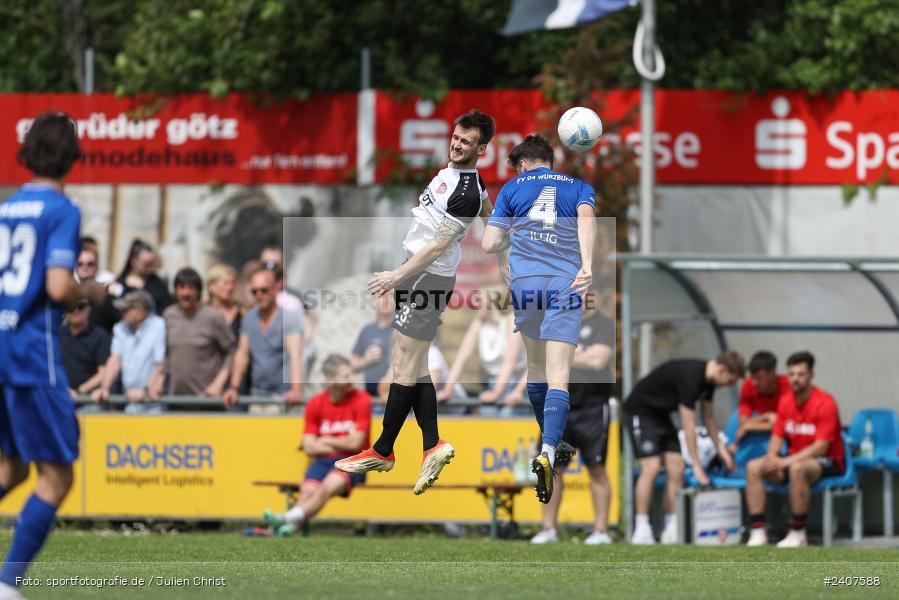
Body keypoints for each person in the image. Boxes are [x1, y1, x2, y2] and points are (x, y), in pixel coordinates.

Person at [337, 110, 495, 496]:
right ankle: (432, 444)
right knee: (413, 364)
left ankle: (383, 449)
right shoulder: (459, 180)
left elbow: (438, 246)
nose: (457, 144)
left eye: (467, 142)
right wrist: (501, 234)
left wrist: (396, 276)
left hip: (427, 278)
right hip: (419, 276)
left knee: (404, 366)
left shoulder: (464, 192)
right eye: (456, 137)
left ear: (482, 150)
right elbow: (489, 213)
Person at [0, 112, 105, 598]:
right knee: (57, 477)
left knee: (11, 468)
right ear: (73, 157)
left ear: (26, 154)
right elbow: (59, 287)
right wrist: (94, 292)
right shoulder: (61, 209)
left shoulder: (6, 207)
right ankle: (8, 584)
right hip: (29, 353)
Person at [481, 134, 596, 504]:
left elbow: (489, 243)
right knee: (559, 374)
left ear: (522, 165)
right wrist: (587, 265)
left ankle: (550, 441)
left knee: (535, 368)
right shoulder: (578, 187)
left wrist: (515, 233)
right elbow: (586, 219)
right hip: (565, 283)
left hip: (526, 285)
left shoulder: (512, 188)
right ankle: (548, 450)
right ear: (549, 160)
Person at [624, 351, 744, 544]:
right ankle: (642, 527)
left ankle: (672, 526)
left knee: (677, 467)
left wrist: (723, 452)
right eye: (730, 381)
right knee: (652, 467)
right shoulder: (692, 377)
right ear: (722, 370)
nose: (728, 386)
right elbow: (689, 425)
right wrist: (696, 466)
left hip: (661, 417)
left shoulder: (709, 382)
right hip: (641, 411)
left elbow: (709, 418)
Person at [531, 302, 615, 545]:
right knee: (551, 468)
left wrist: (561, 355)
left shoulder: (603, 324)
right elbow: (541, 356)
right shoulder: (557, 322)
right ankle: (548, 529)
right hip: (559, 408)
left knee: (596, 468)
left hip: (592, 408)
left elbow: (598, 361)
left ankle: (601, 531)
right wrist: (580, 354)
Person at [744, 351, 845, 548]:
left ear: (811, 375)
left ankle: (798, 532)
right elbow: (777, 436)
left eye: (801, 374)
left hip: (827, 461)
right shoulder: (786, 400)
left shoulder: (825, 403)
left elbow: (821, 447)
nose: (795, 379)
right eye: (791, 374)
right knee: (753, 467)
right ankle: (757, 532)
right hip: (792, 460)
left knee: (797, 468)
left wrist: (783, 462)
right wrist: (772, 458)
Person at [263, 355, 371, 536]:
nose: (351, 380)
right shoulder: (315, 404)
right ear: (330, 379)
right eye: (345, 376)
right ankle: (287, 529)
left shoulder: (362, 400)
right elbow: (309, 447)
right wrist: (342, 442)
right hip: (322, 462)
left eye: (351, 374)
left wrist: (325, 439)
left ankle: (284, 520)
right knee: (307, 494)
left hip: (353, 461)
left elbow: (356, 444)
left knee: (325, 489)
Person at [223, 266, 304, 411]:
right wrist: (234, 388)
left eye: (264, 290)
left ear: (275, 289)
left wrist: (296, 390)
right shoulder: (249, 319)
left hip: (283, 396)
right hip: (257, 395)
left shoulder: (289, 318)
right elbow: (242, 355)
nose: (259, 295)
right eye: (254, 291)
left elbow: (295, 356)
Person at [437, 286, 526, 416]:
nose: (475, 304)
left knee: (507, 415)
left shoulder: (511, 320)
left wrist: (496, 392)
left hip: (516, 384)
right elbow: (462, 357)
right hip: (492, 382)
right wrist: (448, 389)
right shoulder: (480, 322)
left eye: (479, 300)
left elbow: (510, 361)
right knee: (487, 414)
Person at [162, 268, 234, 402]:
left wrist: (218, 383)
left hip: (208, 400)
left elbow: (231, 352)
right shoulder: (169, 315)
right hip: (176, 400)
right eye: (181, 287)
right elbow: (166, 354)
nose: (186, 293)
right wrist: (159, 379)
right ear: (175, 291)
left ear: (198, 291)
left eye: (191, 288)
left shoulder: (212, 317)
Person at [92, 291, 167, 413]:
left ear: (140, 312)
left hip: (153, 404)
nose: (121, 313)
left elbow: (161, 364)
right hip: (129, 401)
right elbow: (115, 360)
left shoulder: (159, 326)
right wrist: (104, 388)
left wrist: (146, 390)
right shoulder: (120, 327)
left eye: (125, 310)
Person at [727, 350, 791, 453]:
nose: (754, 383)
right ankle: (731, 449)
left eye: (759, 378)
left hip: (776, 430)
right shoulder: (748, 385)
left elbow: (785, 422)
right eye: (752, 378)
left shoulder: (789, 386)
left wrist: (750, 425)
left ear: (772, 373)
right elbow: (743, 417)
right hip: (759, 423)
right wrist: (763, 418)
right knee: (735, 417)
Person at [59, 299, 110, 399]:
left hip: (89, 399)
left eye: (81, 307)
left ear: (89, 309)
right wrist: (63, 390)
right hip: (59, 395)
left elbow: (104, 372)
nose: (76, 311)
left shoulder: (100, 336)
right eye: (71, 307)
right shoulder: (56, 334)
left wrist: (79, 391)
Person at [350, 293, 395, 398]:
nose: (386, 300)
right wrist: (366, 360)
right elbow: (352, 364)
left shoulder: (402, 330)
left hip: (394, 395)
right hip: (370, 395)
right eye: (381, 296)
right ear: (374, 300)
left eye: (390, 296)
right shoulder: (367, 330)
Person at [116, 239, 174, 315]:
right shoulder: (119, 283)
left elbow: (166, 308)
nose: (151, 268)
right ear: (133, 260)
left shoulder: (159, 285)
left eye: (152, 264)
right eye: (146, 264)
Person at [206, 263, 243, 343]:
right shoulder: (202, 312)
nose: (230, 287)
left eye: (233, 283)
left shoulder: (241, 311)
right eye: (226, 283)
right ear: (211, 286)